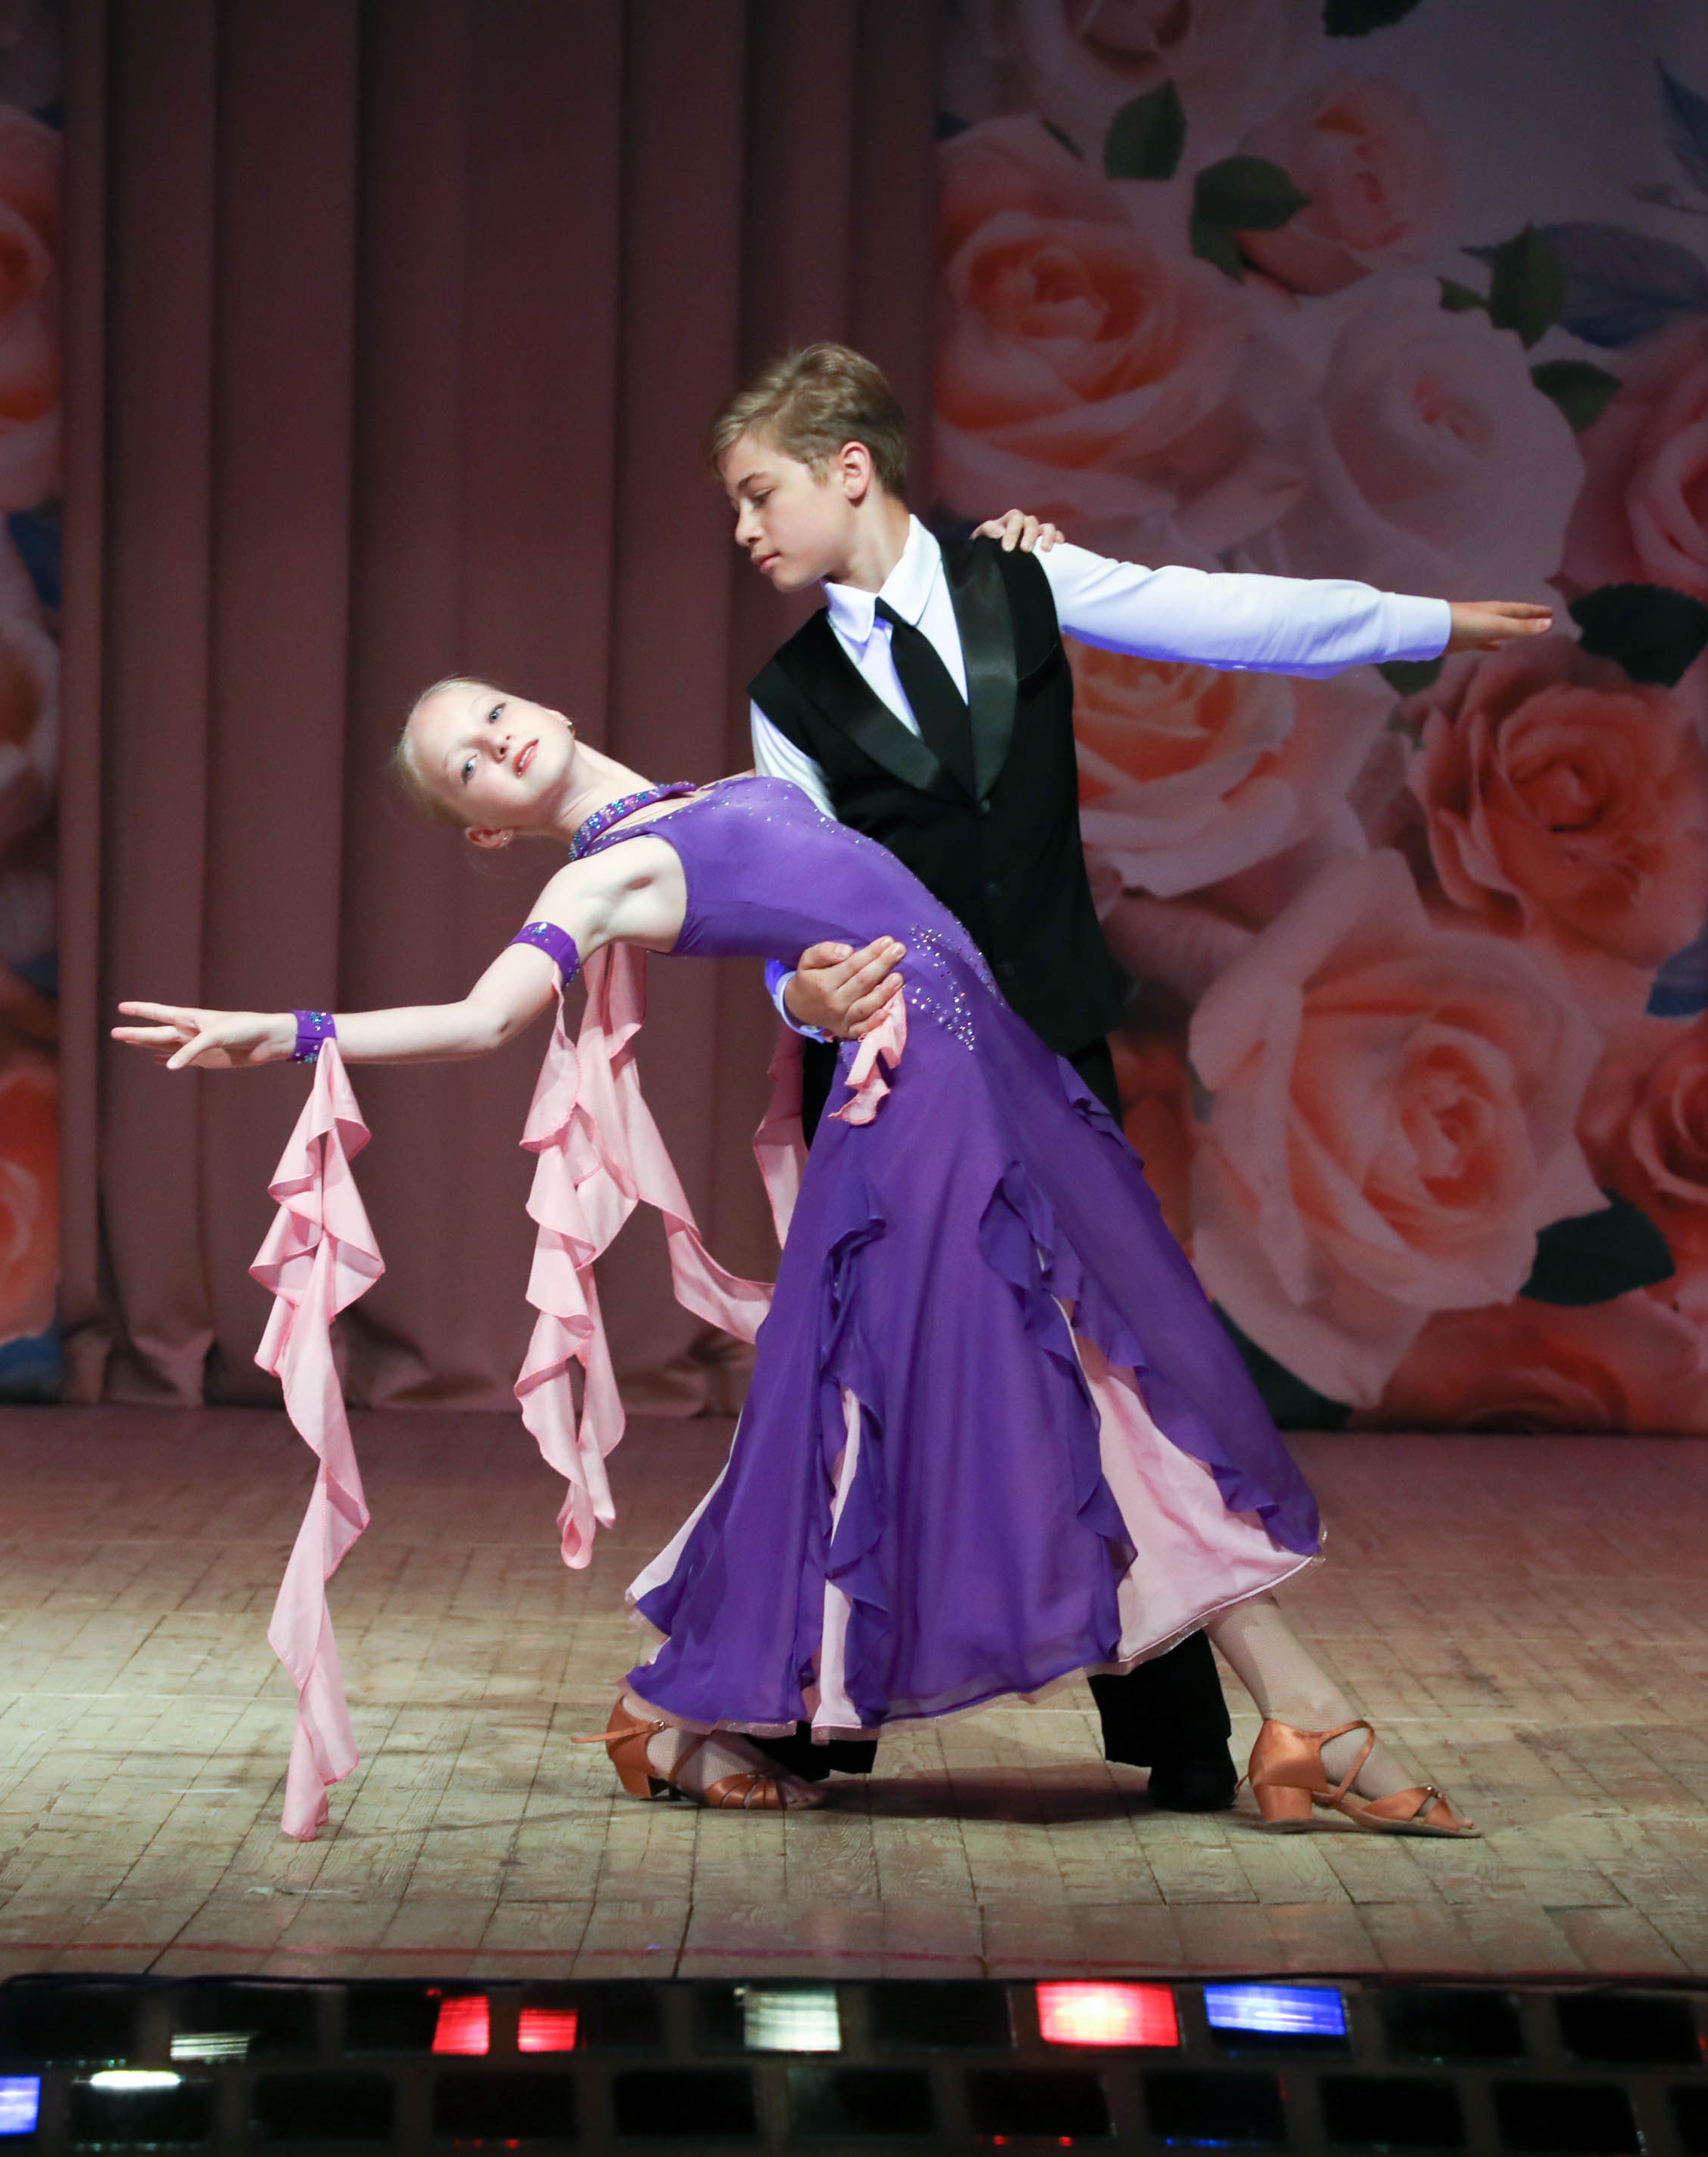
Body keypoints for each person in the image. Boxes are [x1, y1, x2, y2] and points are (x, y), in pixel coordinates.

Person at [113, 686, 1481, 1835]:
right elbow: (484, 1019)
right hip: (917, 1119)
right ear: (484, 824)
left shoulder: (717, 792)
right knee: (1047, 1390)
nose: (493, 738)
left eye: (489, 712)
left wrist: (805, 991)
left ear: (544, 705)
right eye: (466, 764)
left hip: (983, 1080)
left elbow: (810, 933)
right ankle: (1302, 1715)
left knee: (1064, 1389)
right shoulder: (597, 875)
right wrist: (289, 1034)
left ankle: (1291, 1714)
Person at [721, 343, 1553, 1810]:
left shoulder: (1018, 581)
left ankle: (1176, 1734)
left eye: (757, 492)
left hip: (1049, 1051)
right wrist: (801, 992)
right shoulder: (787, 695)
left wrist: (1424, 623)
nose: (743, 528)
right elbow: (787, 911)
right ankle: (800, 1715)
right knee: (913, 1381)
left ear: (850, 470)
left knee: (1107, 1364)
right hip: (903, 1087)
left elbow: (1223, 618)